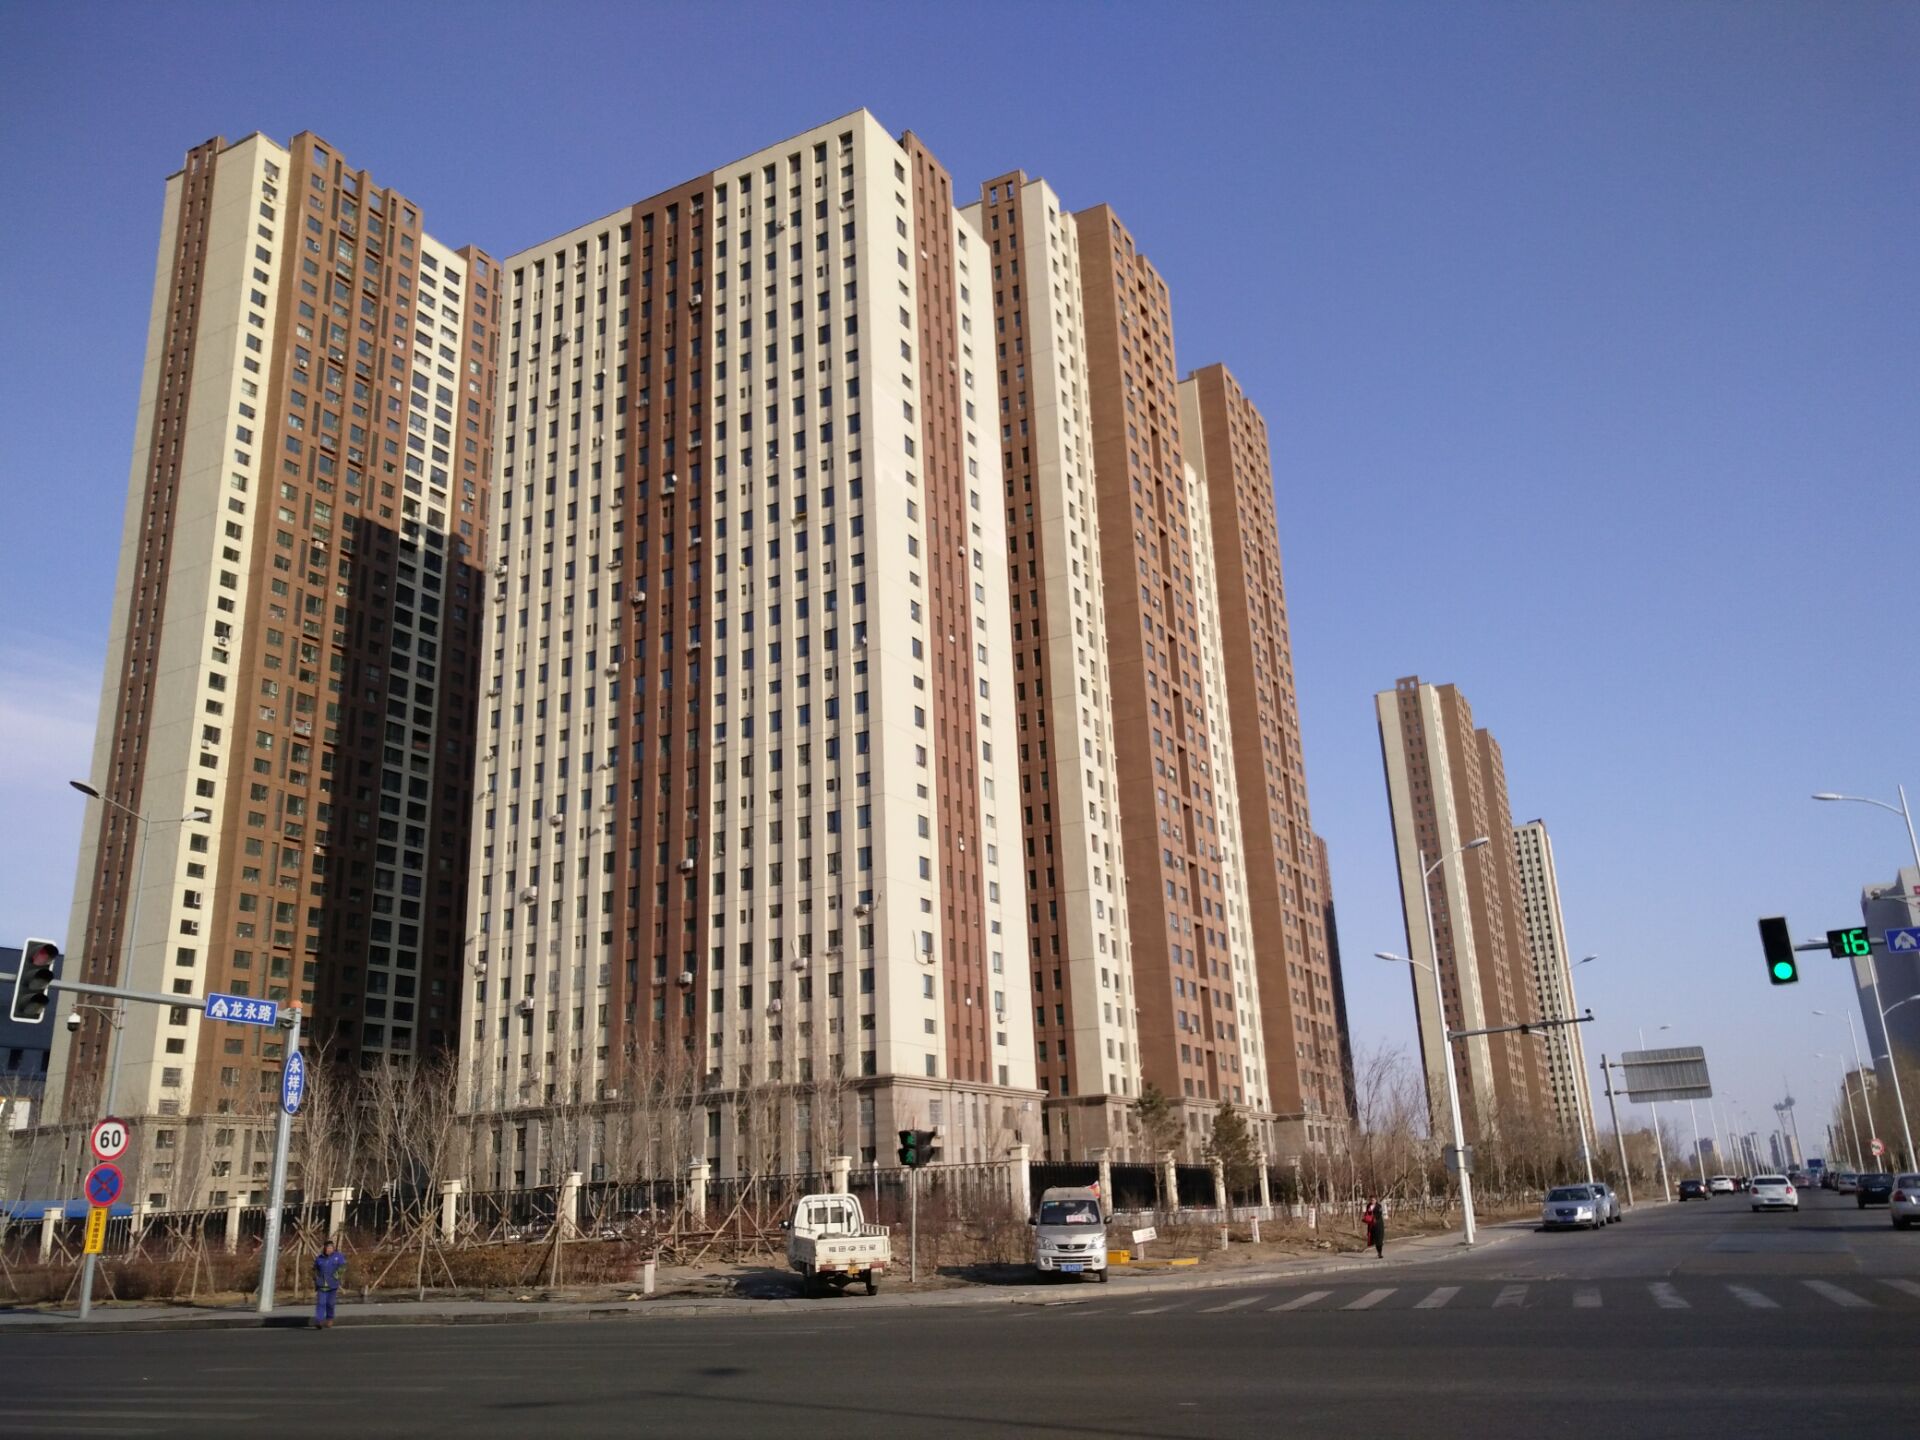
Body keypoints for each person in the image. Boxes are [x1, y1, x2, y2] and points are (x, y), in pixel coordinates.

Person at [312, 1239, 347, 1328]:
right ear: (324, 1248)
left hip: (332, 1285)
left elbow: (343, 1266)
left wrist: (336, 1276)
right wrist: (316, 1278)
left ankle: (329, 1318)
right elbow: (315, 1269)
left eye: (331, 1248)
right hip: (321, 1285)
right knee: (321, 1303)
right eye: (327, 1248)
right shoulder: (319, 1258)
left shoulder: (338, 1257)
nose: (329, 1250)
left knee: (330, 1304)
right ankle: (319, 1320)